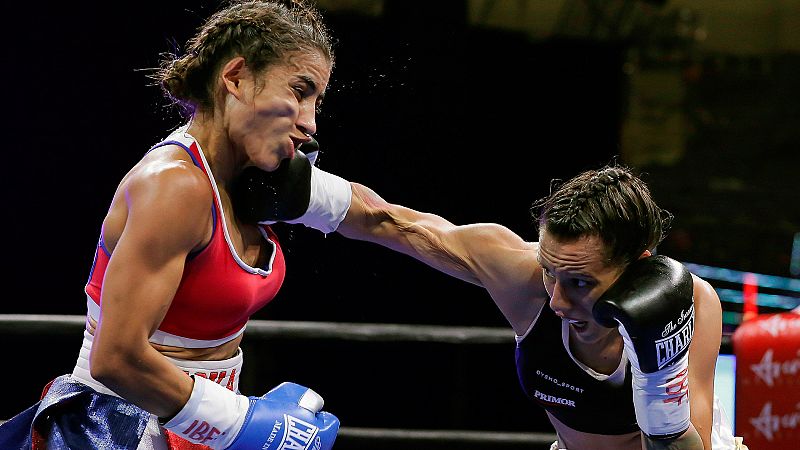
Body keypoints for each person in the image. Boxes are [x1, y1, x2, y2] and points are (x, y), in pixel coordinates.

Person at [0, 1, 346, 449]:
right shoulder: (174, 186)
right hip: (117, 426)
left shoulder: (259, 179)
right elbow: (117, 358)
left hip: (189, 420)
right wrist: (241, 421)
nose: (310, 122)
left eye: (317, 100)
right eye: (300, 91)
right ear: (236, 77)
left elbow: (394, 221)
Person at [233, 156, 747, 449]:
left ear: (638, 264)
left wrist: (661, 396)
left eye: (582, 284)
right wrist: (301, 189)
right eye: (550, 272)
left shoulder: (689, 306)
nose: (559, 301)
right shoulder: (521, 279)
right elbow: (398, 224)